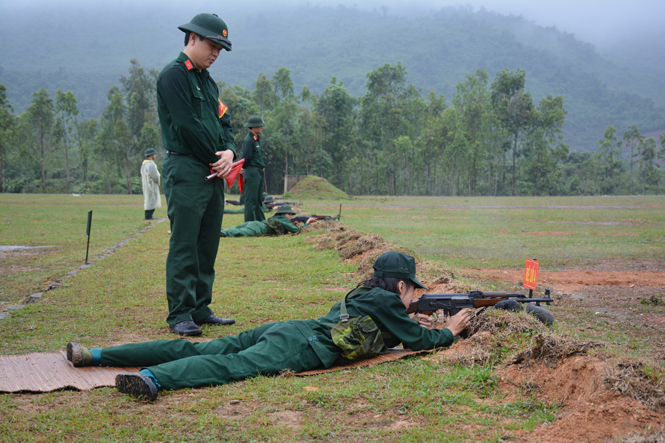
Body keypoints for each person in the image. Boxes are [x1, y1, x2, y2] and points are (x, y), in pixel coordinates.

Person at [65, 251, 471, 400]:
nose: (412, 297)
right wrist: (448, 330)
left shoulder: (364, 294)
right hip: (296, 348)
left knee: (200, 348)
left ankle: (95, 354)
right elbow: (419, 340)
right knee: (229, 367)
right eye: (411, 291)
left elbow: (380, 330)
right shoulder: (387, 300)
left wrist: (402, 322)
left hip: (285, 329)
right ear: (401, 284)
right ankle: (154, 377)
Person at [157, 13, 237, 336]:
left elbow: (225, 122)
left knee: (207, 243)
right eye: (212, 44)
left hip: (214, 170)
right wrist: (217, 158)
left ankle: (201, 307)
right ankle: (180, 313)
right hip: (187, 168)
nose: (216, 52)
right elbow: (188, 126)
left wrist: (230, 152)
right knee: (185, 243)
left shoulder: (208, 81)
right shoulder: (173, 76)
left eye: (220, 48)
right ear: (192, 38)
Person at [220, 205, 315, 237]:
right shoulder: (285, 220)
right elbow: (296, 231)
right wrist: (308, 222)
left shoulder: (278, 218)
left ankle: (220, 231)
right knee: (240, 232)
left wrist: (293, 223)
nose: (290, 216)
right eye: (289, 214)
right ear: (283, 214)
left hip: (256, 223)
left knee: (237, 228)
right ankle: (224, 233)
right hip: (260, 228)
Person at [240, 116, 266, 223]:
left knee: (259, 199)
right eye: (260, 126)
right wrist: (243, 168)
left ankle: (261, 222)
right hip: (251, 171)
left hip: (259, 171)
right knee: (251, 200)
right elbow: (245, 157)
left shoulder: (256, 139)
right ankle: (249, 224)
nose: (261, 128)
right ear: (253, 126)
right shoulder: (248, 140)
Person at [140, 148, 161, 220]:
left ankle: (148, 215)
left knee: (148, 199)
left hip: (146, 184)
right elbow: (155, 176)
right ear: (152, 155)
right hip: (151, 185)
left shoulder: (144, 164)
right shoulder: (151, 165)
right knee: (151, 199)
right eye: (154, 154)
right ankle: (148, 216)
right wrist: (158, 182)